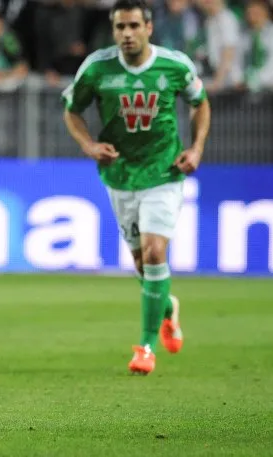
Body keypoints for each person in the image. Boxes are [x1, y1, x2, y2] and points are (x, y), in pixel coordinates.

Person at [62, 0, 211, 375]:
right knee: (142, 264)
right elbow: (71, 109)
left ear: (148, 27)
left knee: (154, 250)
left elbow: (201, 103)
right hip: (120, 176)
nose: (126, 34)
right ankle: (167, 308)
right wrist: (89, 146)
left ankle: (145, 348)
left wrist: (196, 148)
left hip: (163, 172)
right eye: (119, 27)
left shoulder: (175, 65)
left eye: (132, 26)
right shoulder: (97, 68)